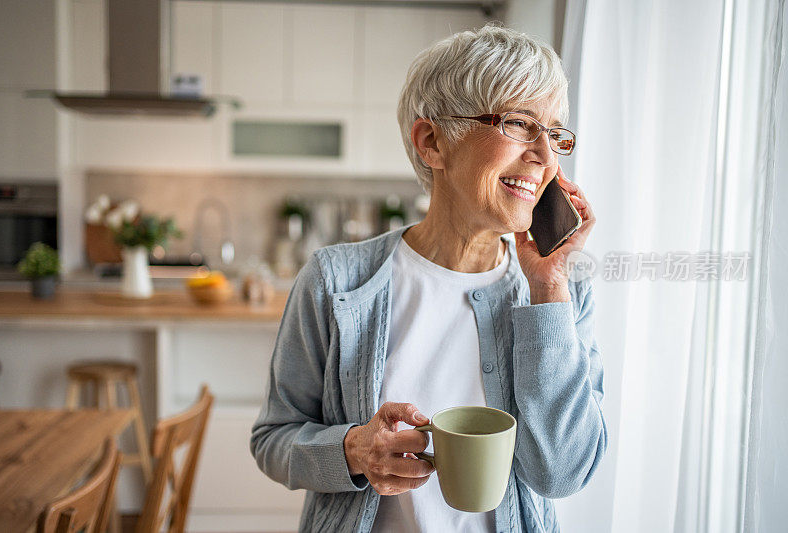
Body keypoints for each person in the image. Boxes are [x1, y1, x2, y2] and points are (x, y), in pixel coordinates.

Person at [251, 24, 607, 533]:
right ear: (431, 141)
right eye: (519, 123)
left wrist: (549, 291)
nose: (546, 157)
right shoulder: (335, 281)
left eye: (554, 133)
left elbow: (563, 473)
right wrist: (353, 450)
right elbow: (273, 440)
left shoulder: (563, 293)